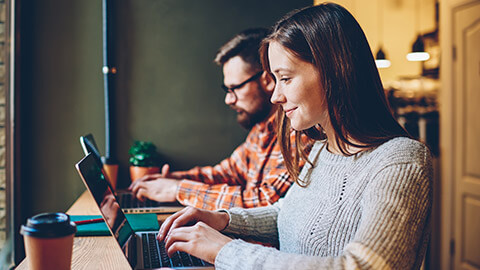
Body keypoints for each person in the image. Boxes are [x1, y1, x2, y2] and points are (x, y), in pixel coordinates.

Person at [155, 3, 433, 269]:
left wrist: (224, 250)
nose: (275, 96)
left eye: (285, 78)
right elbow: (284, 214)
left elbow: (361, 267)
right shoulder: (324, 149)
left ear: (335, 70)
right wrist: (222, 220)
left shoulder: (400, 161)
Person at [129, 28, 312, 210]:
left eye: (235, 88)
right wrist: (174, 180)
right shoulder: (261, 129)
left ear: (266, 80)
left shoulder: (301, 130)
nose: (229, 100)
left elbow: (265, 203)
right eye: (227, 90)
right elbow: (229, 172)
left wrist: (179, 190)